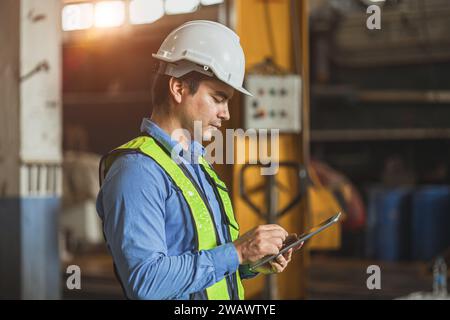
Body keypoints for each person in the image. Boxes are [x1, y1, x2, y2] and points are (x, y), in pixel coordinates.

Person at [96, 20, 301, 300]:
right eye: (218, 98)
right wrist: (238, 250)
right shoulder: (137, 171)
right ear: (178, 88)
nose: (226, 114)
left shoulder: (198, 165)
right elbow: (146, 283)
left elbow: (209, 263)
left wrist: (252, 261)